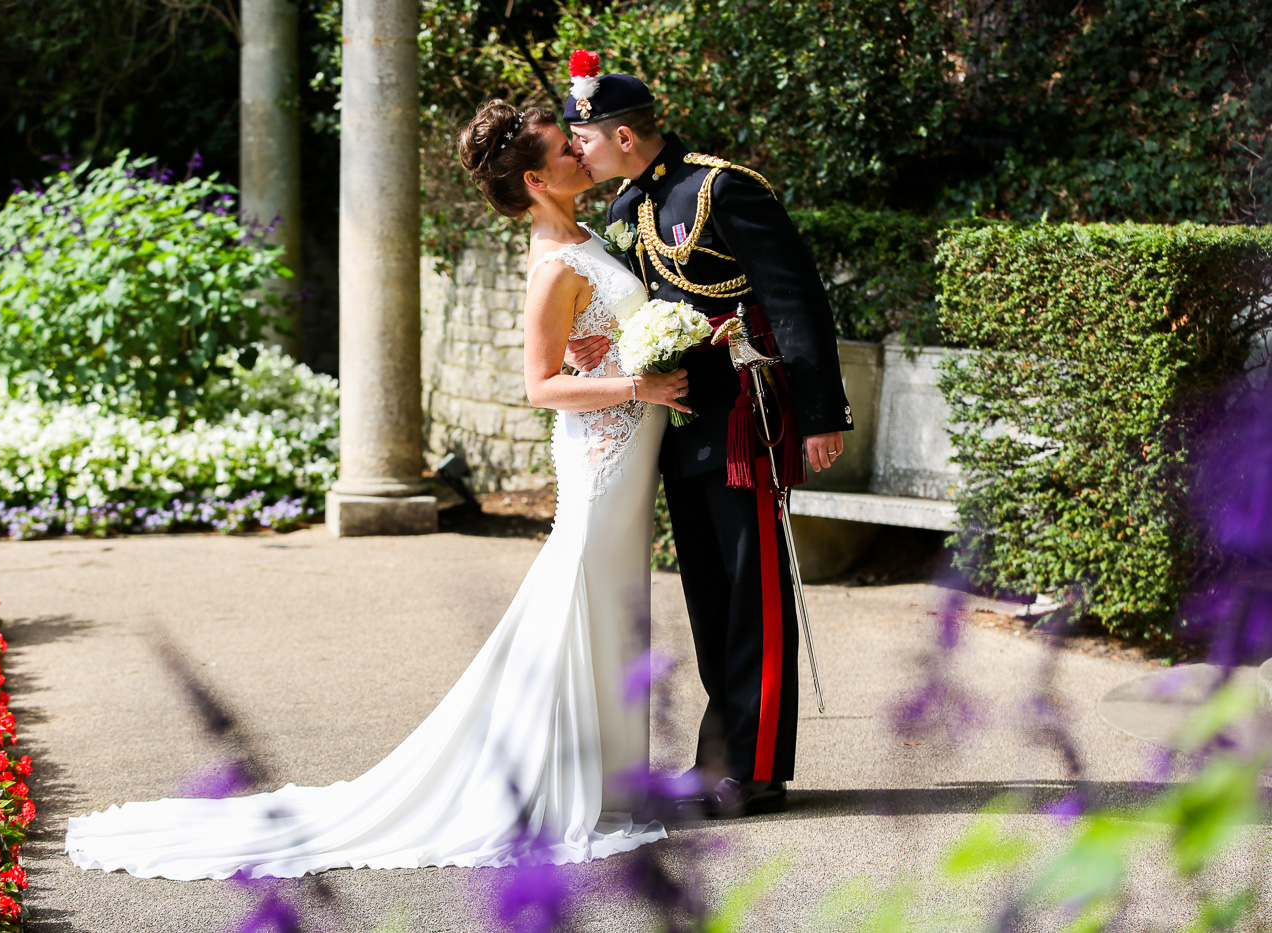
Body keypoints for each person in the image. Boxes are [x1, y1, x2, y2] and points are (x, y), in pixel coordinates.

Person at [63, 101, 689, 879]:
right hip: (600, 459)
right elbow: (537, 386)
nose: (580, 157)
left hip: (625, 447)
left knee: (612, 605)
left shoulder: (586, 238)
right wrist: (638, 382)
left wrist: (632, 353)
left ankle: (606, 777)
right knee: (581, 603)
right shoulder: (553, 264)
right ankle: (550, 787)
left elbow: (585, 349)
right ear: (536, 178)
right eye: (567, 151)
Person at [561, 51, 852, 818]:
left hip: (741, 420)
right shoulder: (626, 211)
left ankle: (756, 768)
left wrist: (823, 414)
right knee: (709, 594)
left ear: (623, 137)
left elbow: (796, 301)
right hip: (676, 420)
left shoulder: (722, 188)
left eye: (582, 136)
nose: (574, 149)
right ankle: (719, 753)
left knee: (752, 591)